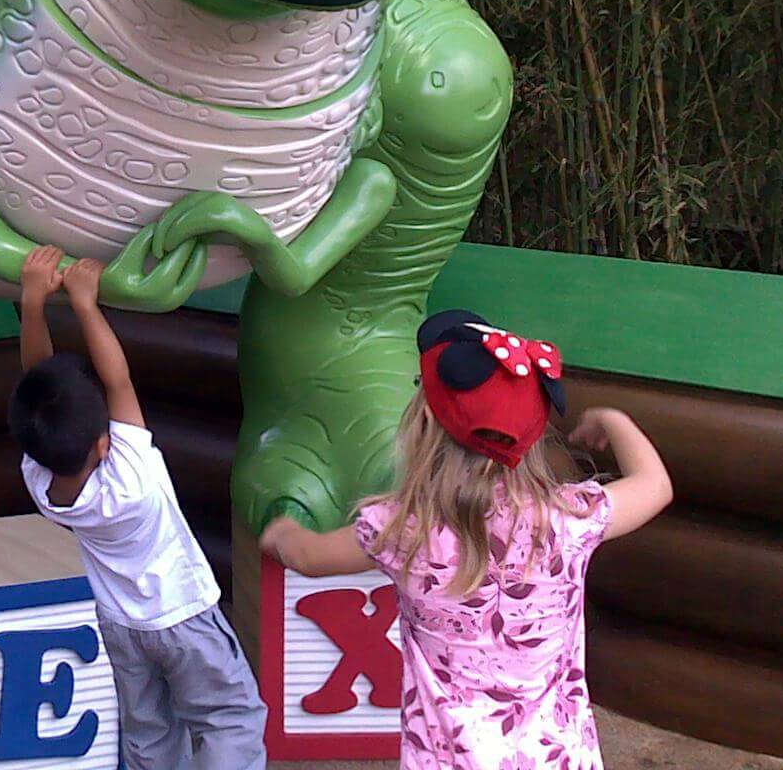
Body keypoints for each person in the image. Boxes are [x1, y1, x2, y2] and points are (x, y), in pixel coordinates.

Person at [260, 308, 674, 770]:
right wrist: (613, 420)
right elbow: (655, 485)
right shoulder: (568, 520)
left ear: (423, 424)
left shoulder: (401, 530)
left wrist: (279, 531)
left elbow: (305, 556)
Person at [10, 246, 265, 769]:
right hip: (185, 616)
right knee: (228, 718)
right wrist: (86, 304)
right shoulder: (133, 477)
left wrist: (33, 302)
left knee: (148, 732)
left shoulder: (42, 483)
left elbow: (39, 386)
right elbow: (118, 380)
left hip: (122, 627)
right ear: (104, 442)